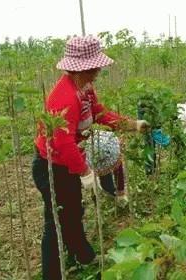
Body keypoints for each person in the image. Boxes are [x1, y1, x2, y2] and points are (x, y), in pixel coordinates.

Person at [32, 35, 148, 280]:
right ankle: (52, 274)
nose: (98, 71)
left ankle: (83, 256)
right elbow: (62, 142)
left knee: (73, 212)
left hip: (67, 164)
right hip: (51, 166)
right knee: (55, 222)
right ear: (81, 67)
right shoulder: (63, 97)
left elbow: (98, 113)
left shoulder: (85, 88)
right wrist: (85, 172)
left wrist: (130, 124)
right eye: (94, 67)